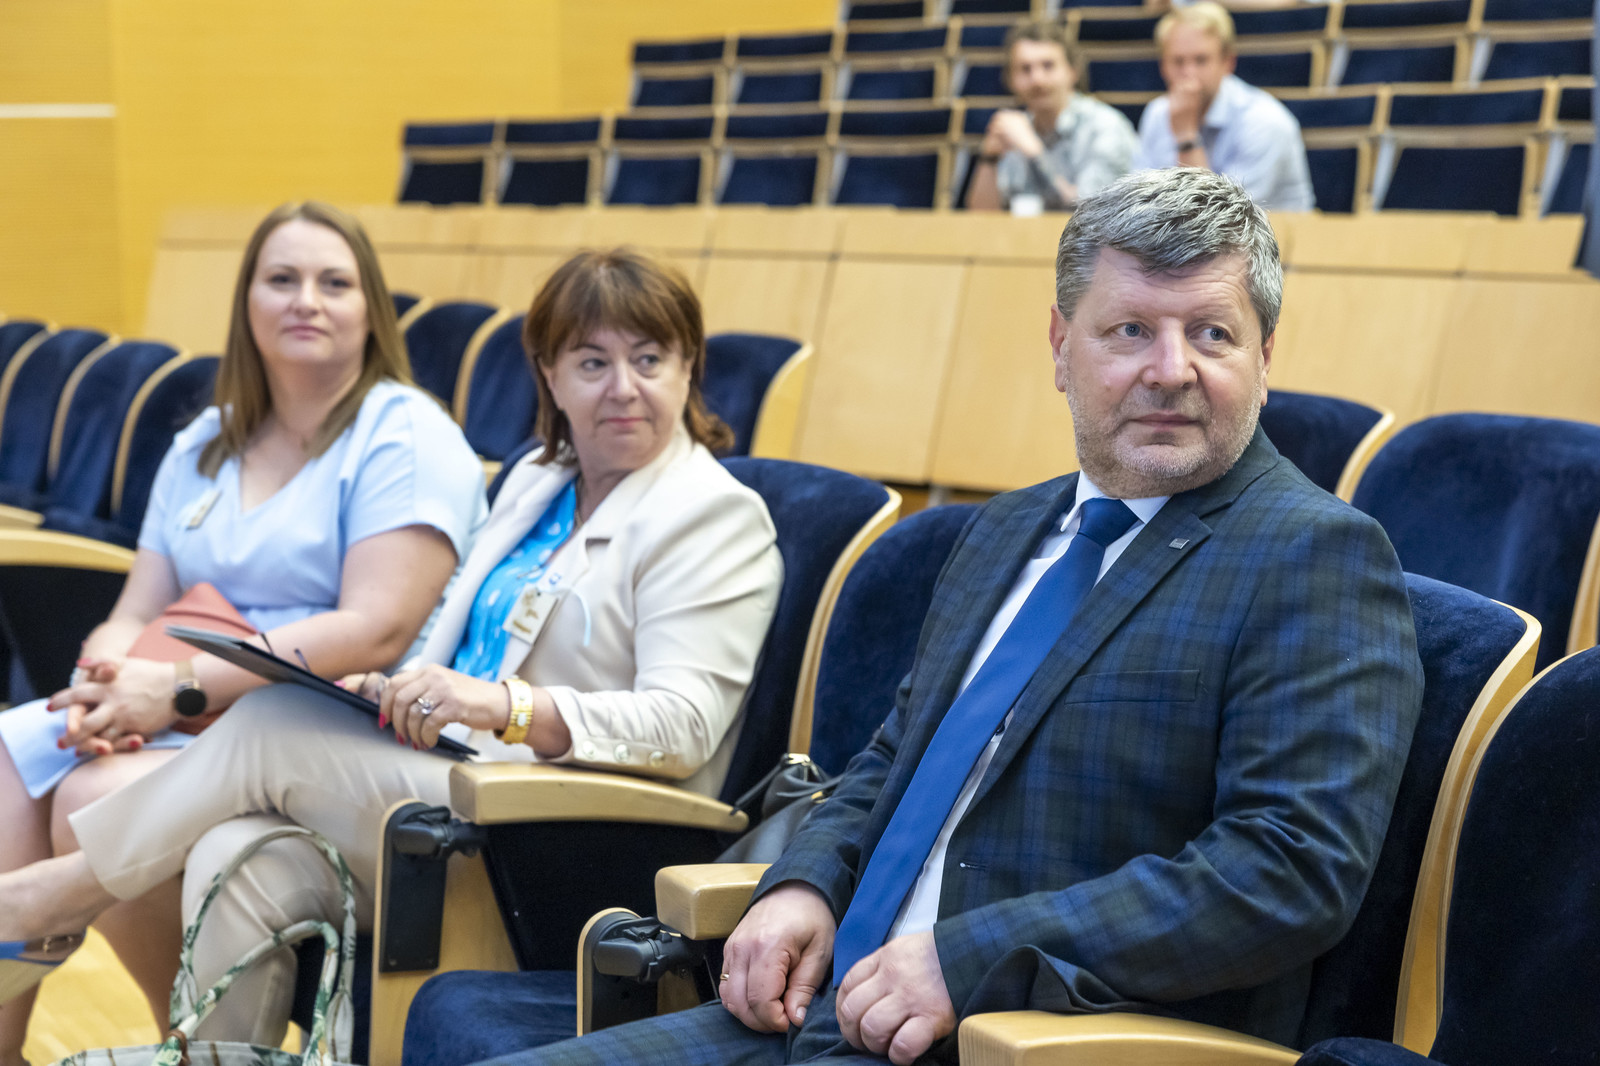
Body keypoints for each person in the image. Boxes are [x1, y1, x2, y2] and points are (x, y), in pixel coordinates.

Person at [445, 167, 1426, 1066]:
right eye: (1130, 331)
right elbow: (892, 757)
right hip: (824, 1013)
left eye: (1211, 333)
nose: (1171, 368)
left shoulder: (1313, 556)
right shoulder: (1004, 530)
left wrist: (968, 958)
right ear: (1061, 348)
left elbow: (1285, 870)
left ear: (1264, 357)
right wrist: (804, 882)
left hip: (1031, 1037)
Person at [0, 248, 784, 1047]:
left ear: (688, 368)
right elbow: (469, 639)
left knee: (273, 722)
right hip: (457, 777)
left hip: (571, 831)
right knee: (237, 856)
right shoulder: (540, 481)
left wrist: (502, 705)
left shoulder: (711, 516)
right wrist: (395, 686)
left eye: (649, 360)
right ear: (550, 376)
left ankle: (52, 899)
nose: (623, 387)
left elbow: (684, 724)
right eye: (592, 363)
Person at [0, 200, 486, 1064]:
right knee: (13, 756)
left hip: (318, 731)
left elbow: (376, 628)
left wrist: (177, 687)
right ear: (247, 302)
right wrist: (102, 676)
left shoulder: (406, 434)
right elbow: (137, 604)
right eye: (282, 279)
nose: (307, 300)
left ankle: (189, 1044)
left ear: (371, 308)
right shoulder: (206, 437)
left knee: (89, 799)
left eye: (334, 283)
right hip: (177, 703)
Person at [1135, 2, 1316, 212]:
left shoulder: (1266, 122)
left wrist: (1186, 137)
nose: (1189, 74)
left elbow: (1217, 219)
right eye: (1178, 61)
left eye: (1201, 60)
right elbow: (1137, 204)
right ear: (1162, 66)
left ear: (1228, 62)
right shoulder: (1157, 113)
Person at [967, 20, 1138, 213]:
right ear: (1010, 80)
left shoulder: (1106, 126)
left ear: (1073, 71)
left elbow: (1091, 215)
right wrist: (989, 159)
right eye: (1025, 69)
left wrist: (1035, 154)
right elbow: (981, 217)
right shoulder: (1014, 130)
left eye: (1048, 66)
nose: (1037, 80)